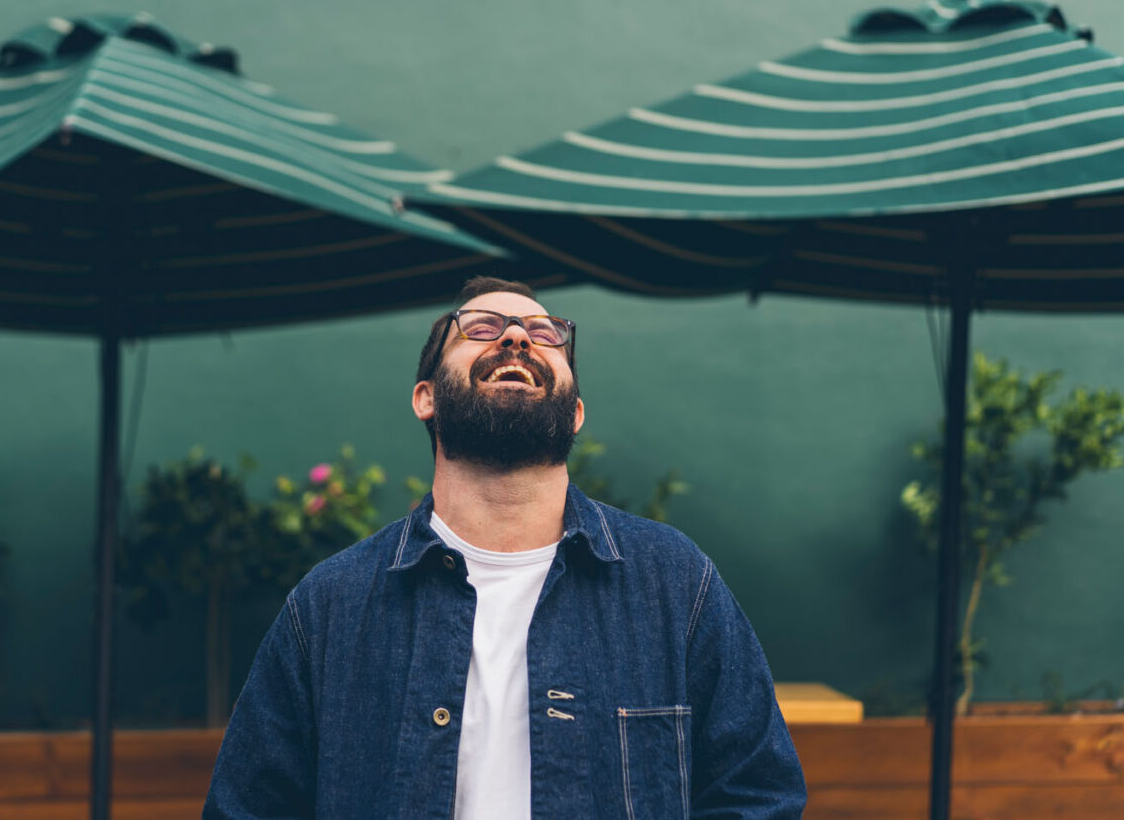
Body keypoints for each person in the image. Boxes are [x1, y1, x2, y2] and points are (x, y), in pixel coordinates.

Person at [204, 276, 806, 819]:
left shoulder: (674, 583)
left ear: (573, 413)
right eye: (482, 328)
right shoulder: (330, 605)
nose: (518, 336)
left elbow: (758, 796)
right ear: (426, 397)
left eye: (545, 334)